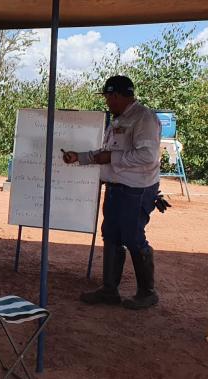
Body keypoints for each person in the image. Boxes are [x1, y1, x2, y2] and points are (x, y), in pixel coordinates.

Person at [63, 75, 162, 309]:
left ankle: (147, 292)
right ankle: (110, 290)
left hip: (136, 190)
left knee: (133, 237)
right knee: (111, 234)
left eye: (108, 97)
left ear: (116, 96)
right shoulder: (119, 120)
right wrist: (81, 157)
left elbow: (148, 156)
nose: (107, 101)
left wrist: (112, 157)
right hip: (117, 188)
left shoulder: (143, 119)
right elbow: (106, 151)